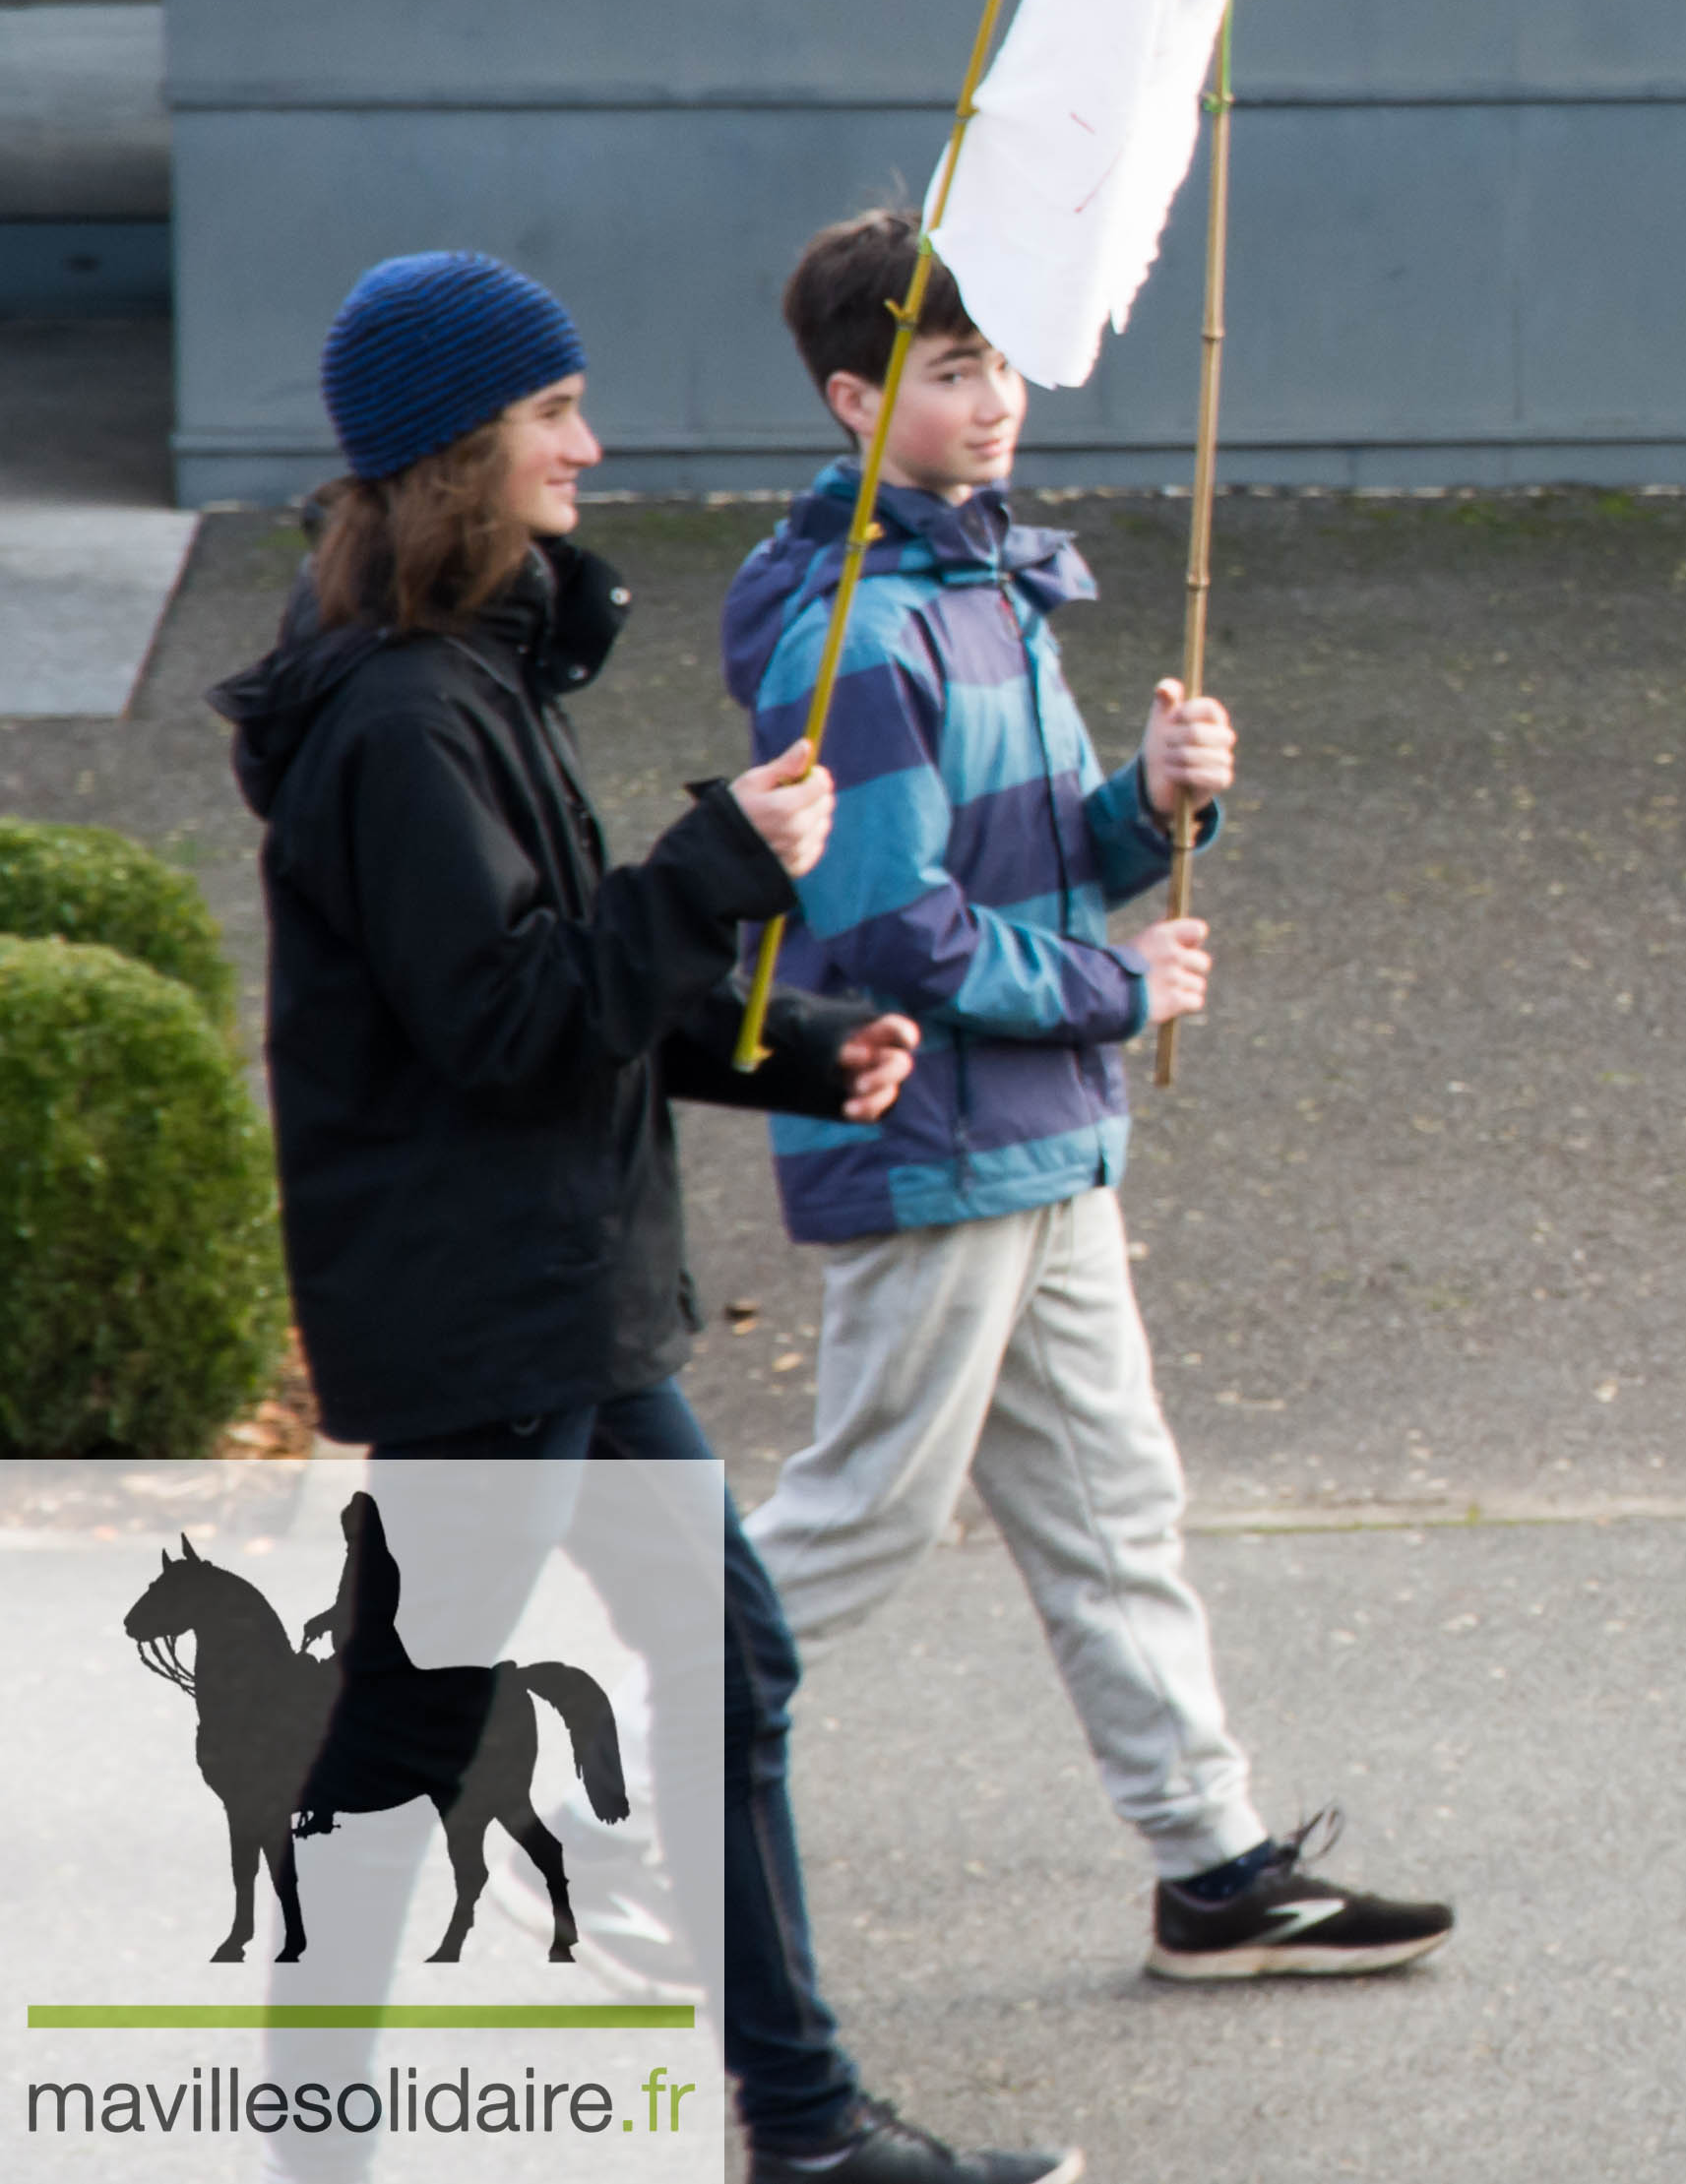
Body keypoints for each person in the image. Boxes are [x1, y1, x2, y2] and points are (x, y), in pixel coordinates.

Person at [217, 247, 1070, 2184]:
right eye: (552, 416)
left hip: (558, 1304)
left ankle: (804, 2119)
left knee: (725, 1668)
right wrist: (721, 857)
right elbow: (513, 1018)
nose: (590, 445)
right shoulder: (404, 722)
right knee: (407, 1741)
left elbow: (557, 976)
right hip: (494, 1318)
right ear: (457, 451)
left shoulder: (468, 676)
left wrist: (791, 1044)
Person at [720, 209, 1450, 1982]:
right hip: (932, 1138)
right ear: (852, 395)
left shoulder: (989, 589)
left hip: (1033, 1132)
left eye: (1003, 363)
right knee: (869, 1507)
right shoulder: (856, 632)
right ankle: (544, 1741)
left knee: (1116, 1502)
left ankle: (1214, 1866)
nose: (995, 400)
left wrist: (1156, 801)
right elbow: (890, 927)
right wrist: (1121, 988)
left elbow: (1037, 860)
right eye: (951, 370)